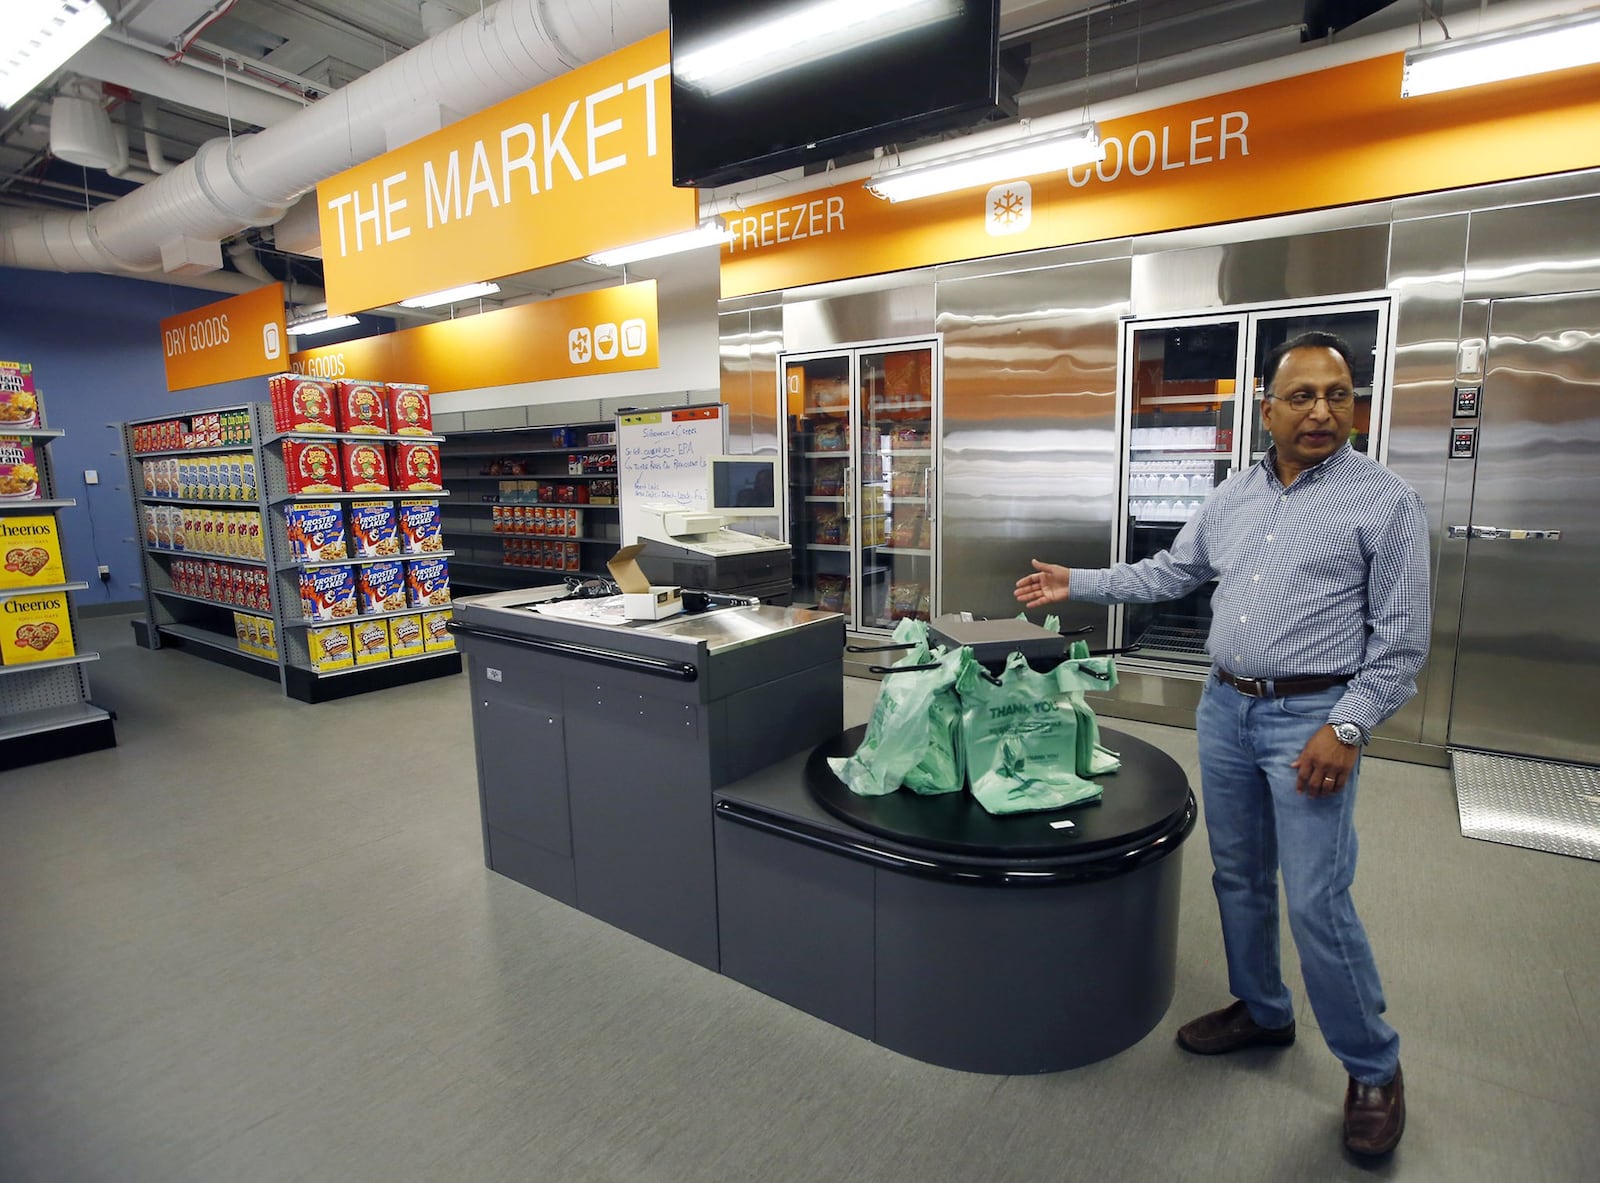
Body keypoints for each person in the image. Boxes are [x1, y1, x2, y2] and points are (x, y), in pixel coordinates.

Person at [1015, 331, 1430, 1158]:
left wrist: (1346, 727)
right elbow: (1172, 571)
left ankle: (1374, 1065)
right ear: (1266, 407)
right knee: (1238, 874)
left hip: (1311, 722)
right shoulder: (1235, 495)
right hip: (1225, 711)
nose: (1321, 411)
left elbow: (1402, 640)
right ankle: (1263, 1008)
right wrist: (1082, 583)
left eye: (1338, 396)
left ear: (1357, 405)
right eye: (1303, 395)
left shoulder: (1385, 501)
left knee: (1317, 897)